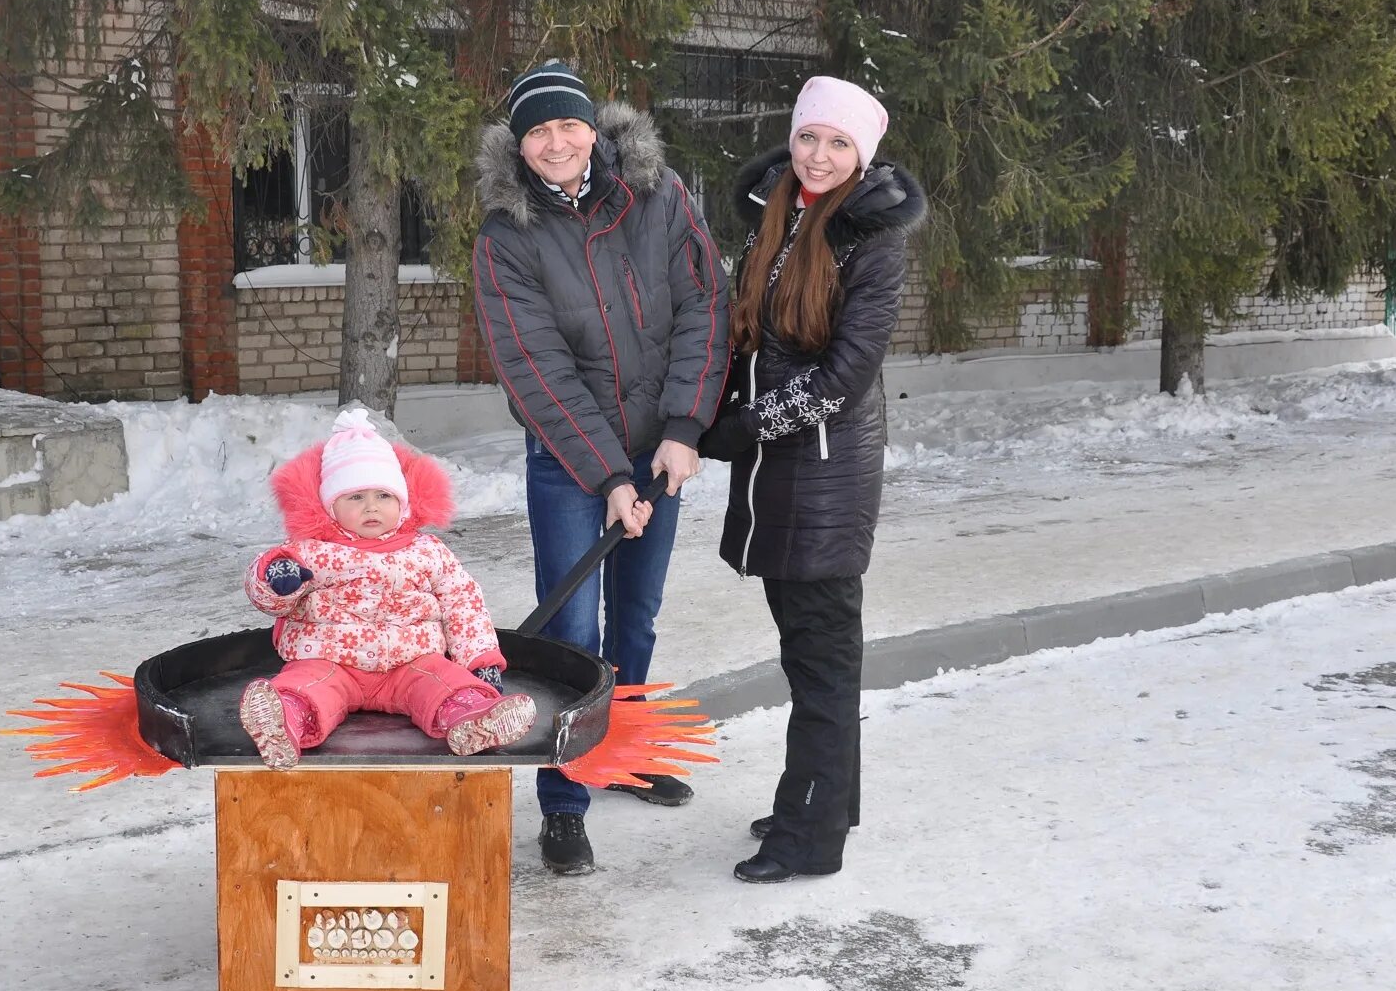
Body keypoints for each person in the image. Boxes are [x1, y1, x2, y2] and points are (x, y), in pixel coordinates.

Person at [472, 59, 731, 875]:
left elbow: (704, 304)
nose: (556, 143)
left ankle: (621, 754)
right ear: (520, 145)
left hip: (661, 451)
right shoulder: (506, 235)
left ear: (594, 128)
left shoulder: (658, 196)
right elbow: (534, 366)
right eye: (538, 130)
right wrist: (608, 476)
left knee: (638, 618)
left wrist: (686, 428)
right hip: (569, 460)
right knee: (573, 629)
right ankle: (563, 801)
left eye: (568, 125)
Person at [700, 75, 927, 884]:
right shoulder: (780, 219)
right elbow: (750, 341)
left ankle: (810, 838)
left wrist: (736, 431)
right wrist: (705, 418)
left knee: (824, 664)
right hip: (779, 476)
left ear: (862, 154)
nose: (820, 156)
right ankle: (821, 798)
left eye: (839, 143)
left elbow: (843, 376)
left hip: (823, 480)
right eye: (808, 138)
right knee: (808, 657)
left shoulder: (873, 240)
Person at [238, 409, 536, 769]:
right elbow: (264, 593)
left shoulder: (426, 551)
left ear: (402, 502)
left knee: (444, 683)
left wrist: (480, 661)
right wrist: (275, 578)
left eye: (383, 496)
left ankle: (474, 717)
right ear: (330, 506)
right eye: (356, 498)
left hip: (410, 662)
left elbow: (463, 604)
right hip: (330, 660)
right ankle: (283, 721)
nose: (371, 507)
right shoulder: (311, 551)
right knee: (306, 685)